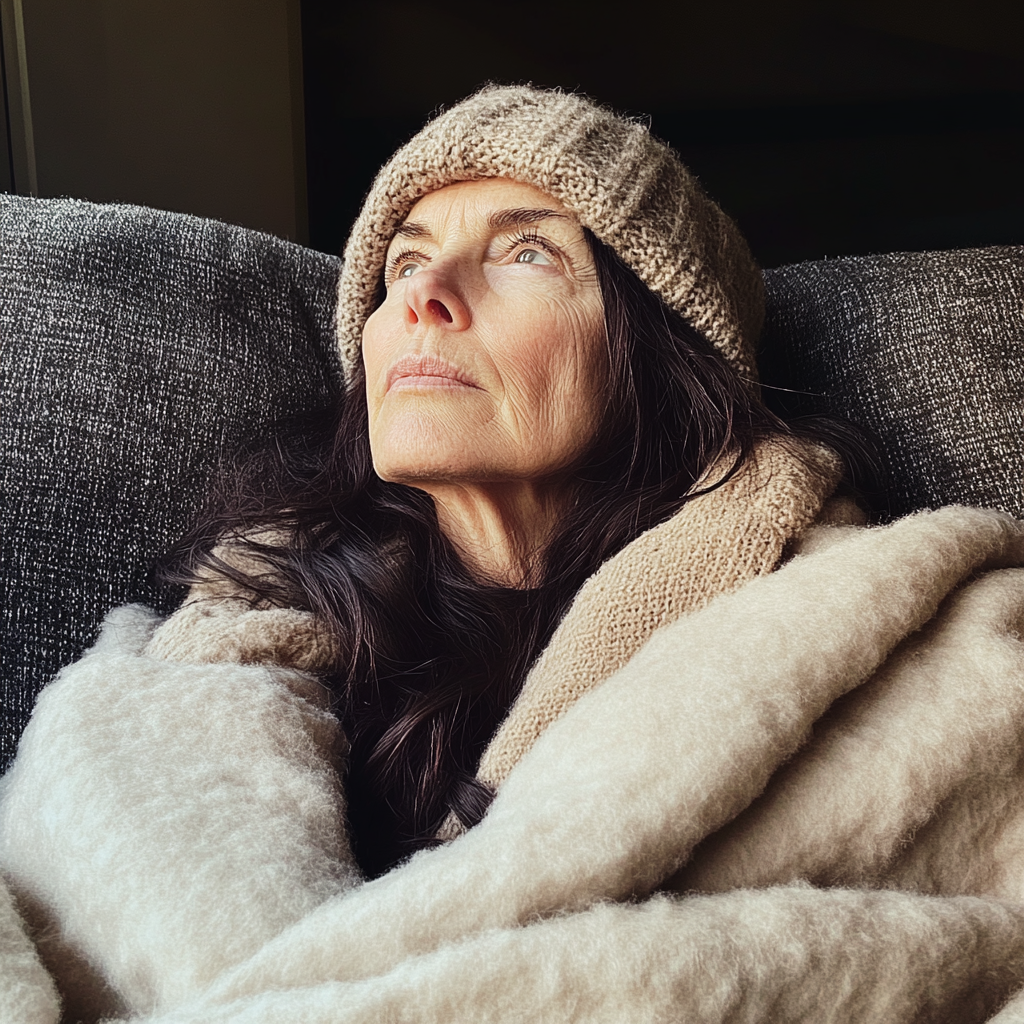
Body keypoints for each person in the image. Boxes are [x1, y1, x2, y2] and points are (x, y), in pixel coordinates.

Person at [3, 84, 1024, 1024]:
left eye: (523, 252)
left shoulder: (874, 632)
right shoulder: (215, 652)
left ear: (660, 354)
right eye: (403, 261)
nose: (424, 297)